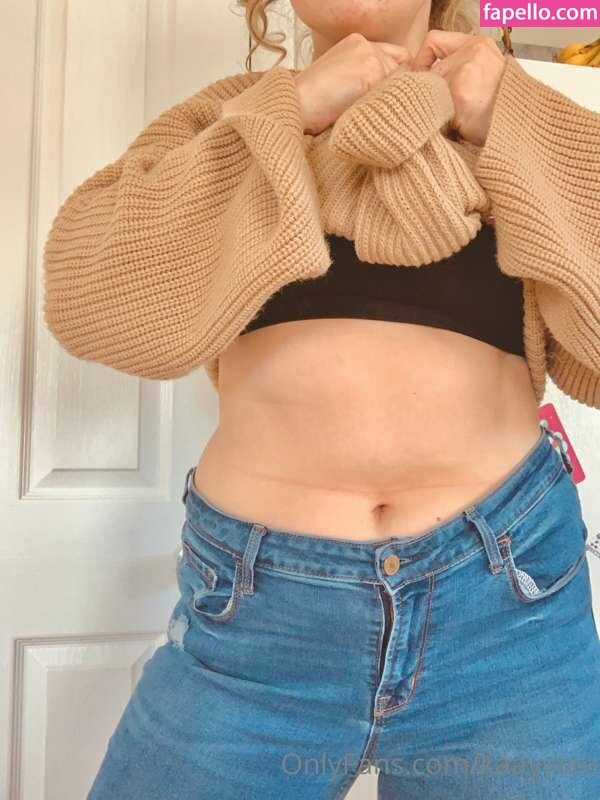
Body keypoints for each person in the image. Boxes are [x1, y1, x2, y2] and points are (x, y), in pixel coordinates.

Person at [43, 1, 600, 797]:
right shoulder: (227, 116)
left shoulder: (512, 112)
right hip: (252, 632)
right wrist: (291, 107)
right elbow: (89, 303)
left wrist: (515, 121)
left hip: (508, 616)